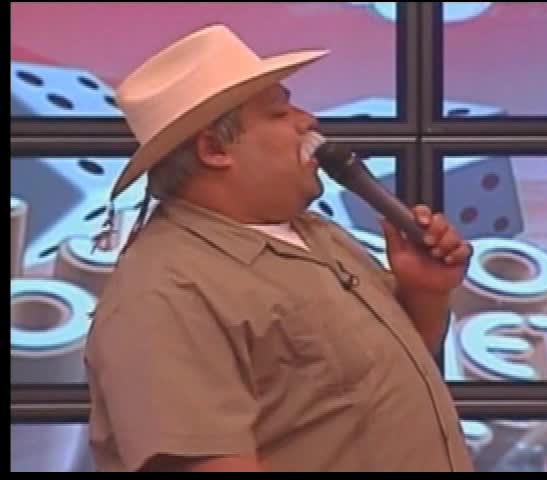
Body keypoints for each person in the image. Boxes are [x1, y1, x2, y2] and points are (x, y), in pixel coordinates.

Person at [84, 24, 474, 472]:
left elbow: (380, 381)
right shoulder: (164, 294)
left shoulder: (318, 235)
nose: (307, 121)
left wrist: (424, 292)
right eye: (278, 112)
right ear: (214, 148)